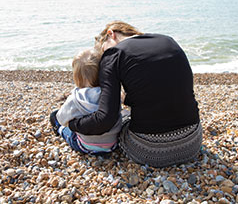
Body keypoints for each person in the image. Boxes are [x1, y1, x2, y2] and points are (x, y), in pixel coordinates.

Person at [68, 21, 202, 167]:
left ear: (111, 34)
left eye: (103, 50)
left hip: (151, 151)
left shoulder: (113, 55)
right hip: (193, 142)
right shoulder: (167, 40)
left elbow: (105, 120)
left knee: (122, 119)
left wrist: (73, 124)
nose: (103, 57)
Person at [50, 49, 122, 154]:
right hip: (112, 143)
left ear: (76, 76)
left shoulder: (75, 98)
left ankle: (59, 131)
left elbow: (62, 119)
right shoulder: (110, 94)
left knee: (56, 118)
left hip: (85, 145)